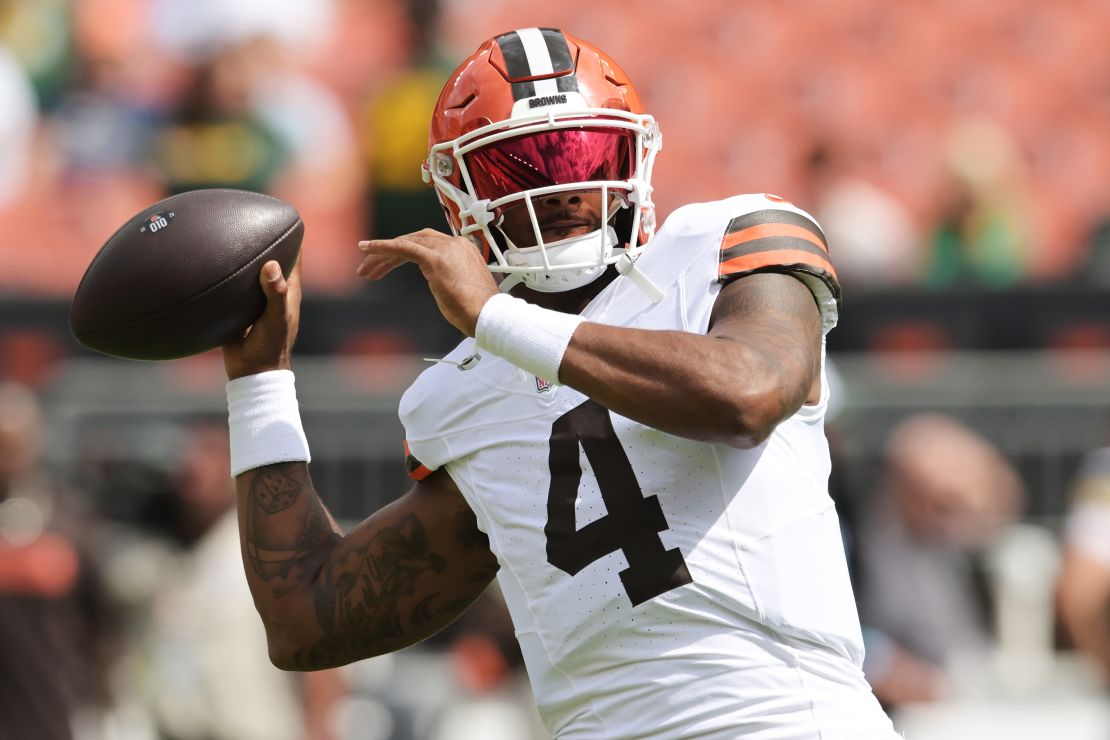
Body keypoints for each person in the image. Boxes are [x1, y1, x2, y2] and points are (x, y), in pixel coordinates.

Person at [221, 29, 898, 738]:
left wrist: (496, 317)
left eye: (582, 154)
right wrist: (260, 381)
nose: (564, 188)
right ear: (463, 191)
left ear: (633, 153)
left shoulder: (722, 246)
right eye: (522, 167)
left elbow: (748, 394)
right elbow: (305, 622)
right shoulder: (465, 393)